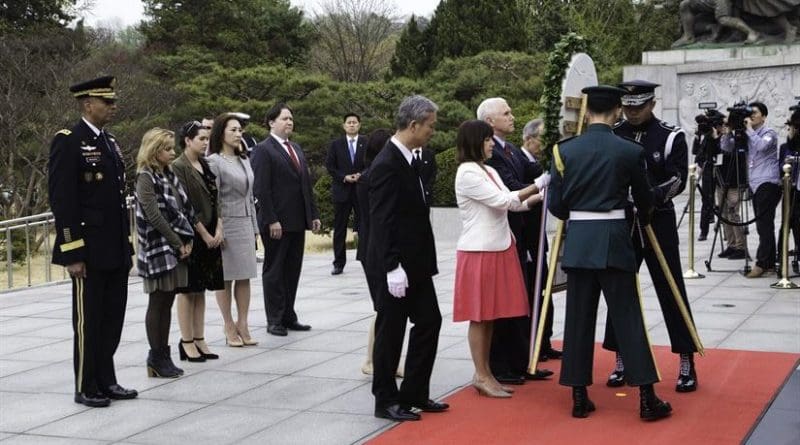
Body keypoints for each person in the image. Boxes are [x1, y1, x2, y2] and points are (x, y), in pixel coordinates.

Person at [549, 85, 671, 421]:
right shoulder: (628, 150)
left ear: (587, 112)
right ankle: (647, 397)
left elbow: (558, 207)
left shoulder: (563, 151)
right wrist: (643, 216)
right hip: (615, 240)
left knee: (577, 319)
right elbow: (644, 200)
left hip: (579, 243)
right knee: (628, 318)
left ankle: (578, 396)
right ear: (617, 111)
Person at [48, 75, 137, 407]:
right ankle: (86, 385)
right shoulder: (68, 141)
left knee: (112, 318)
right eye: (107, 102)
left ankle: (107, 379)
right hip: (88, 250)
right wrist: (72, 251)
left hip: (114, 247)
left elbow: (115, 200)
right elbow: (63, 201)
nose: (112, 107)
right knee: (89, 321)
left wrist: (126, 248)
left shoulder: (109, 142)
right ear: (88, 104)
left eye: (113, 101)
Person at [608, 80, 699, 393]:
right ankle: (621, 358)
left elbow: (678, 180)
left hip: (657, 219)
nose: (633, 112)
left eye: (639, 106)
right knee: (620, 288)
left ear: (652, 104)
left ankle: (686, 359)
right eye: (628, 107)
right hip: (623, 221)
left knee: (671, 286)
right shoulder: (614, 132)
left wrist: (649, 197)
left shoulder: (670, 135)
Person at [368, 95, 448, 422]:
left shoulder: (410, 158)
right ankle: (385, 399)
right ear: (413, 125)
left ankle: (415, 392)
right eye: (429, 126)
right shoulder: (387, 163)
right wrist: (391, 266)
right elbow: (382, 219)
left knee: (430, 321)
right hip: (396, 264)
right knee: (391, 332)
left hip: (415, 264)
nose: (432, 131)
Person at [454, 120, 545, 398]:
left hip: (499, 247)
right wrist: (540, 182)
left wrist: (542, 194)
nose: (492, 143)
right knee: (480, 317)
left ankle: (487, 373)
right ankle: (481, 375)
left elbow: (514, 203)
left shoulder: (489, 169)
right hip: (479, 251)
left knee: (491, 316)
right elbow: (502, 201)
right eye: (487, 139)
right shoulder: (467, 173)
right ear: (474, 142)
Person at [478, 97, 553, 386]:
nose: (512, 116)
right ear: (489, 121)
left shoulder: (508, 148)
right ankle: (503, 364)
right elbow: (512, 189)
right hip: (503, 235)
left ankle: (522, 361)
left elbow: (532, 171)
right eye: (506, 113)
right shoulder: (491, 153)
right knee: (505, 304)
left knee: (520, 301)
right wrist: (542, 185)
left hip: (520, 234)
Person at [251, 103, 321, 337]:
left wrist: (313, 215)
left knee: (293, 270)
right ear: (271, 122)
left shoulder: (296, 148)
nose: (289, 122)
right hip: (276, 222)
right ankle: (274, 319)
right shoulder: (263, 149)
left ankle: (289, 315)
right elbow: (261, 188)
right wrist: (271, 219)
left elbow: (305, 186)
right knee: (275, 271)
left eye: (291, 118)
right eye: (284, 118)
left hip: (296, 220)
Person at [134, 128, 195, 378]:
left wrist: (186, 237)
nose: (172, 153)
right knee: (157, 301)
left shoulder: (168, 173)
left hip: (175, 244)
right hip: (158, 247)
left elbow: (182, 207)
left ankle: (164, 355)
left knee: (167, 300)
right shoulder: (145, 177)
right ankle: (155, 356)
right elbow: (153, 214)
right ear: (154, 150)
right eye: (167, 149)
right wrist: (176, 241)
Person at [172, 121, 224, 362]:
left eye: (207, 138)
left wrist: (220, 227)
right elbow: (184, 205)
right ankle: (187, 340)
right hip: (193, 234)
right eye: (201, 139)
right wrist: (203, 233)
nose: (205, 143)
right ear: (188, 140)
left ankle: (200, 337)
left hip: (212, 231)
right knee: (187, 290)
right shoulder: (178, 167)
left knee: (201, 289)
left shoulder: (205, 164)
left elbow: (216, 196)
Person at [207, 113, 259, 346]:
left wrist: (255, 227)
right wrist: (218, 228)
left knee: (245, 276)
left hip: (246, 221)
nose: (239, 134)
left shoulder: (244, 159)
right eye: (233, 130)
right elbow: (212, 199)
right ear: (221, 133)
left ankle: (243, 323)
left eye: (240, 130)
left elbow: (250, 197)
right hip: (226, 222)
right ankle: (228, 324)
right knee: (226, 278)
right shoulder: (214, 162)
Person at [720, 102, 782, 278]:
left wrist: (748, 129)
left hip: (768, 183)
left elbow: (762, 146)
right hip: (754, 184)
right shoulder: (747, 134)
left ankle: (762, 264)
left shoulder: (769, 133)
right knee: (764, 226)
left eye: (755, 113)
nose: (751, 116)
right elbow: (726, 148)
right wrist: (728, 131)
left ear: (763, 116)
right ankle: (769, 262)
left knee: (764, 226)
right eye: (750, 113)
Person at [520, 118, 560, 362]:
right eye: (542, 140)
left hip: (539, 239)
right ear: (529, 138)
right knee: (532, 293)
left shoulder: (538, 162)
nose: (545, 145)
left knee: (545, 291)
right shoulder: (521, 162)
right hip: (526, 239)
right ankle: (533, 343)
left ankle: (545, 341)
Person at [356, 128, 393, 375]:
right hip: (374, 250)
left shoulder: (370, 176)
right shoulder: (371, 178)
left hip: (375, 248)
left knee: (386, 308)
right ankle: (371, 361)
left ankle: (378, 359)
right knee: (382, 307)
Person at [325, 113, 366, 275]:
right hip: (342, 191)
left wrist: (361, 175)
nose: (351, 125)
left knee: (364, 226)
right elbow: (330, 165)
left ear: (359, 125)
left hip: (361, 190)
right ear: (343, 126)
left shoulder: (365, 142)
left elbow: (372, 162)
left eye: (354, 122)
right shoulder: (336, 144)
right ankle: (338, 263)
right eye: (349, 123)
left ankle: (365, 259)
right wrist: (344, 177)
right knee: (340, 228)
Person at [692, 110, 725, 241]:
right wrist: (697, 137)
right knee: (706, 199)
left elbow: (721, 151)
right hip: (707, 168)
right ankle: (703, 231)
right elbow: (696, 152)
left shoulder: (722, 135)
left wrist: (717, 138)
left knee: (725, 200)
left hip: (721, 168)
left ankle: (724, 226)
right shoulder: (703, 134)